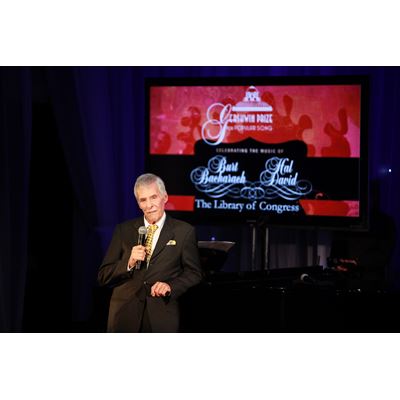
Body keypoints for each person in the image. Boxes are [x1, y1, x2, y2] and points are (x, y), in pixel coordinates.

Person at [98, 173, 203, 332]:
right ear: (138, 204)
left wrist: (170, 286)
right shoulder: (123, 230)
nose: (149, 205)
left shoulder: (184, 232)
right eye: (143, 200)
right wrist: (129, 263)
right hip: (124, 316)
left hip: (162, 315)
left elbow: (194, 273)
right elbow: (103, 276)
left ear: (165, 197)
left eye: (153, 197)